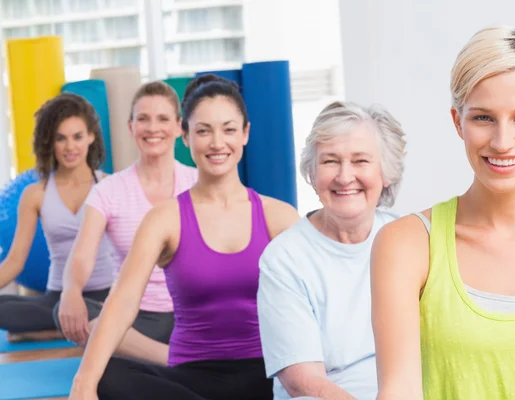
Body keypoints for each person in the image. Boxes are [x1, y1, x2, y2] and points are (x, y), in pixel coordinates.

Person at [371, 26, 515, 400]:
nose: (502, 141)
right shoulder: (406, 244)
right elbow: (399, 389)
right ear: (457, 121)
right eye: (483, 118)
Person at [67, 74, 300, 400]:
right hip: (190, 379)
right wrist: (83, 383)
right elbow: (122, 301)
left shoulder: (279, 217)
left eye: (229, 129)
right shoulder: (165, 218)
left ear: (245, 133)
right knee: (106, 374)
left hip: (265, 374)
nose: (217, 143)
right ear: (186, 137)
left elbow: (314, 303)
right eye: (204, 131)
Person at [256, 100, 406, 400]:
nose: (344, 176)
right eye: (330, 161)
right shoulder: (283, 259)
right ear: (312, 173)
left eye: (360, 161)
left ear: (386, 172)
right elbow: (304, 383)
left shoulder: (406, 238)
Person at [54, 81, 197, 365]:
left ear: (179, 127)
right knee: (74, 314)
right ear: (131, 127)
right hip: (134, 316)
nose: (152, 127)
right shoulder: (108, 190)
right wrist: (71, 291)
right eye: (143, 119)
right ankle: (173, 359)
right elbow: (82, 254)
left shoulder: (198, 182)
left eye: (163, 118)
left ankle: (148, 354)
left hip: (192, 313)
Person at [0, 93, 115, 342]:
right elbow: (15, 261)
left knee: (113, 311)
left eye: (77, 137)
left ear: (91, 137)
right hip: (57, 299)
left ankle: (55, 330)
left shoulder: (110, 186)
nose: (70, 147)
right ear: (50, 142)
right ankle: (72, 328)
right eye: (60, 138)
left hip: (105, 296)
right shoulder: (35, 194)